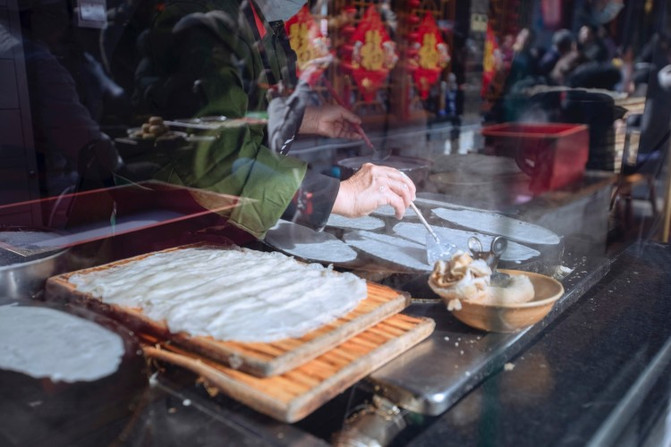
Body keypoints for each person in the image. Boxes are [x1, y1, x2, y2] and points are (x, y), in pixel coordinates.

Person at [134, 0, 415, 239]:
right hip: (170, 224)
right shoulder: (203, 25)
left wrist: (305, 119)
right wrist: (341, 195)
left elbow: (243, 105)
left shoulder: (259, 20)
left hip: (219, 221)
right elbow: (214, 157)